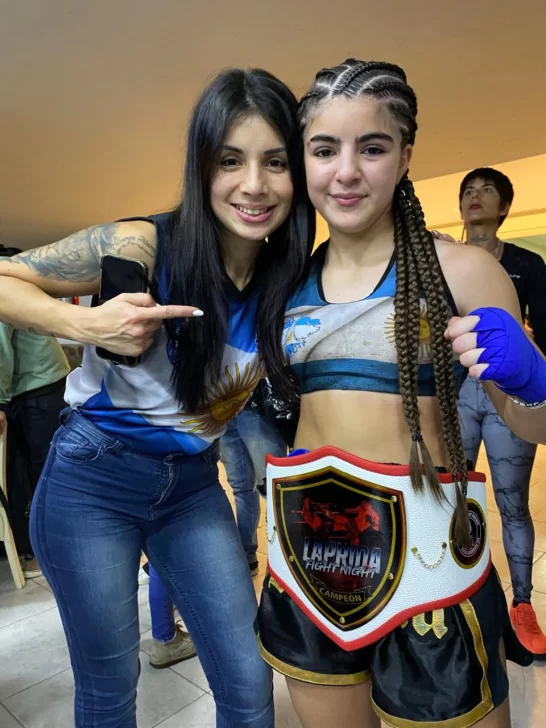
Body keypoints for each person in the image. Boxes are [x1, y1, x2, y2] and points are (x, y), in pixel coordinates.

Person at [0, 67, 314, 728]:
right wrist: (89, 326)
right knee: (111, 691)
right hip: (92, 482)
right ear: (201, 167)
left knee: (249, 683)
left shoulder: (289, 279)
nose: (254, 185)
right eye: (230, 160)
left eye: (275, 162)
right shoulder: (144, 242)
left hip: (193, 487)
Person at [257, 59, 546, 728]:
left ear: (406, 156)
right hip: (310, 558)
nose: (346, 171)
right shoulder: (281, 281)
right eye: (324, 150)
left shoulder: (464, 271)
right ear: (303, 160)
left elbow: (532, 425)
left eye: (372, 148)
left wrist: (532, 379)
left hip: (430, 567)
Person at [458, 167, 546, 655]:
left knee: (512, 502)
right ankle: (460, 598)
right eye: (468, 191)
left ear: (504, 207)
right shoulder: (443, 261)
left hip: (506, 393)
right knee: (451, 499)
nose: (475, 197)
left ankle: (523, 605)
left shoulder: (526, 264)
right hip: (453, 395)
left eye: (486, 190)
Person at [146, 395, 287, 669]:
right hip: (217, 415)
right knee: (262, 492)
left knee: (271, 493)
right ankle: (269, 584)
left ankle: (270, 576)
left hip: (235, 408)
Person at [0, 247, 70, 578]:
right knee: (43, 469)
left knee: (43, 472)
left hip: (37, 387)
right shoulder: (9, 268)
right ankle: (40, 545)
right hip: (45, 381)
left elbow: (1, 350)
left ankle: (52, 550)